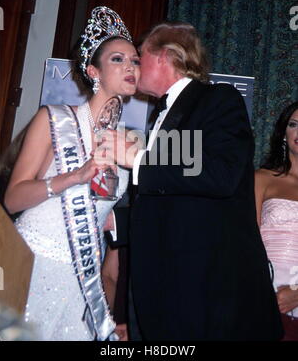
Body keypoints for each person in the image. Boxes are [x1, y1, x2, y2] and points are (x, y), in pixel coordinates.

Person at [96, 21, 283, 340]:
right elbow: (177, 194)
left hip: (210, 297)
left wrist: (137, 160)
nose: (136, 66)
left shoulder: (216, 100)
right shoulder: (161, 116)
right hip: (167, 295)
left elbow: (220, 176)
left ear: (164, 57)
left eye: (140, 56)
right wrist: (116, 219)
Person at [3, 6, 140, 341]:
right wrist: (73, 177)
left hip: (81, 277)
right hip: (34, 260)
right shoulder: (53, 119)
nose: (131, 67)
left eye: (135, 60)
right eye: (118, 59)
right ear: (93, 70)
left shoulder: (131, 142)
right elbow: (14, 196)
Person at [255, 101, 298, 341]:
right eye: (294, 125)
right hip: (262, 300)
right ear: (284, 133)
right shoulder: (262, 179)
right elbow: (243, 242)